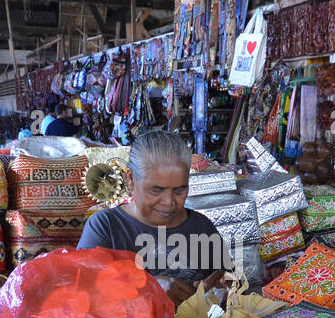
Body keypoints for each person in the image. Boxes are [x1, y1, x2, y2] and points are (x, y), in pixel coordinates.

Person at [77, 130, 228, 305]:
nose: (169, 202)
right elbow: (83, 295)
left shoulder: (201, 226)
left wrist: (226, 286)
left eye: (179, 190)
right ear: (131, 179)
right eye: (156, 190)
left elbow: (228, 281)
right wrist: (149, 287)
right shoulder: (105, 228)